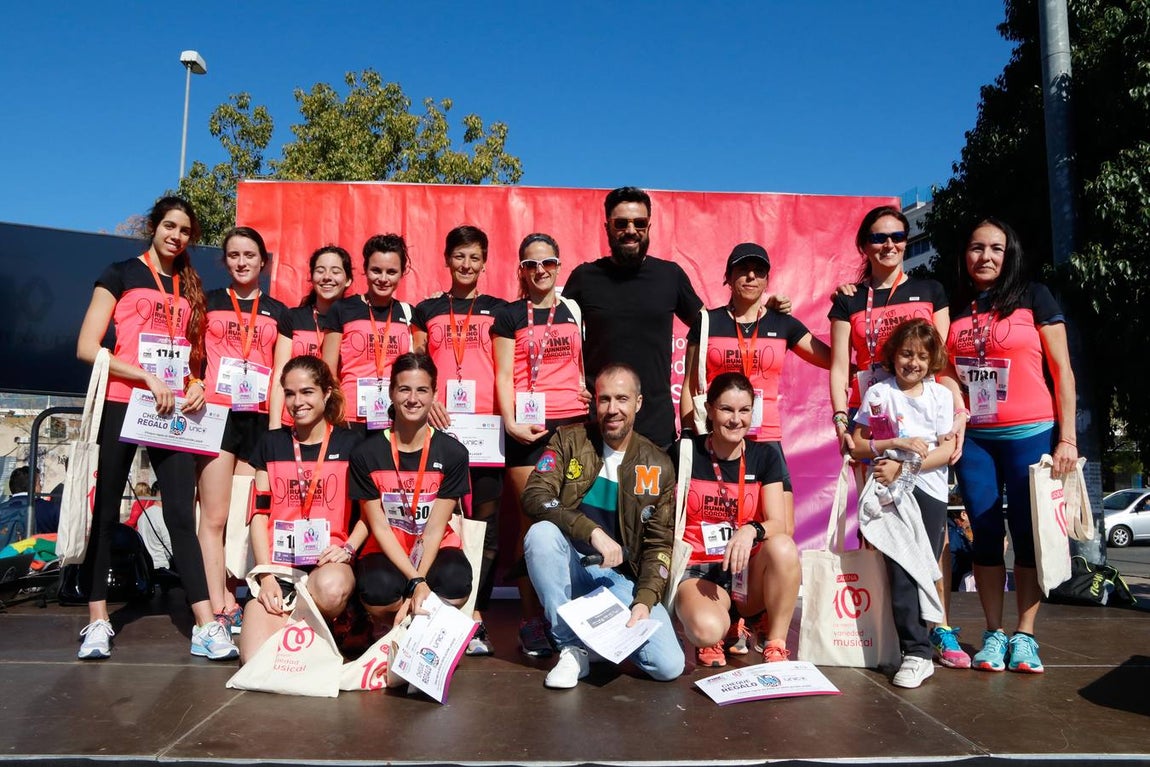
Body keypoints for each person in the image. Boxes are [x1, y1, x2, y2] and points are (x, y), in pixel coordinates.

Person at [74, 195, 236, 660]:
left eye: (185, 230)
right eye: (169, 226)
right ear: (154, 226)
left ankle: (205, 625)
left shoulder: (190, 286)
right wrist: (144, 376)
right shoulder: (120, 273)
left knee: (181, 515)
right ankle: (98, 620)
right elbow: (87, 347)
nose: (176, 236)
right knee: (106, 511)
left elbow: (194, 354)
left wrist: (197, 383)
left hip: (171, 411)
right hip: (124, 402)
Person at [828, 205, 968, 668]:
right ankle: (889, 631)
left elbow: (941, 363)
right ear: (864, 245)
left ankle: (938, 626)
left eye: (897, 236)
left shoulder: (930, 290)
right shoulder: (849, 299)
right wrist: (840, 419)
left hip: (923, 422)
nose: (889, 244)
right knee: (878, 530)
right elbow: (839, 366)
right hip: (874, 417)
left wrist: (958, 413)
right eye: (878, 237)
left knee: (933, 539)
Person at [946, 218, 1078, 674]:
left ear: (1010, 253)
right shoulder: (955, 307)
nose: (985, 256)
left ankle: (1025, 635)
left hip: (1031, 434)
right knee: (983, 534)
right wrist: (957, 407)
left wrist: (1067, 437)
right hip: (976, 439)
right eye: (976, 247)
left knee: (1026, 534)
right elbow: (945, 368)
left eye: (996, 248)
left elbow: (1062, 370)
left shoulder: (1034, 296)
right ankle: (992, 634)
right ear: (965, 254)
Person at [522, 363, 685, 689]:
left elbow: (658, 546)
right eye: (605, 399)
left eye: (622, 399)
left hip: (619, 581)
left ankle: (594, 642)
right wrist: (591, 531)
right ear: (594, 402)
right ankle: (570, 647)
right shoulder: (569, 440)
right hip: (571, 567)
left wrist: (644, 600)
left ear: (638, 403)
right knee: (541, 534)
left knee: (669, 665)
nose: (613, 409)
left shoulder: (658, 463)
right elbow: (535, 495)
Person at [682, 242, 831, 529]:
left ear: (767, 280)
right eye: (743, 270)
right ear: (728, 276)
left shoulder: (782, 323)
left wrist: (844, 306)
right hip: (718, 437)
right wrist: (690, 436)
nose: (751, 276)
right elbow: (690, 387)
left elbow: (832, 360)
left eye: (759, 271)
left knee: (781, 529)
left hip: (766, 438)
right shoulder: (707, 322)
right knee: (716, 521)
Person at [411, 225, 507, 655]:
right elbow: (415, 365)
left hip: (487, 433)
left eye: (474, 257)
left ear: (485, 262)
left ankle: (475, 613)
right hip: (440, 431)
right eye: (459, 256)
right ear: (447, 259)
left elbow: (512, 365)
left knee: (486, 529)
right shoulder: (427, 310)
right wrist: (429, 398)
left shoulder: (499, 310)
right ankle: (431, 606)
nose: (466, 265)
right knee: (436, 523)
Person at [492, 233, 589, 657]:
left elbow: (583, 363)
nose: (540, 271)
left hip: (574, 426)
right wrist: (510, 421)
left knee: (571, 521)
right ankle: (531, 620)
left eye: (547, 263)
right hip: (527, 430)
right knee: (533, 522)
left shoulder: (574, 310)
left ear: (558, 266)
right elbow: (502, 374)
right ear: (521, 270)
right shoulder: (509, 315)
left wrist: (590, 391)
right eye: (531, 264)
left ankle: (566, 617)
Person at [850, 318, 958, 688]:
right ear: (893, 355)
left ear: (932, 360)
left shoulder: (941, 395)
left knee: (921, 567)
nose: (913, 363)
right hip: (888, 490)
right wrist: (892, 448)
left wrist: (905, 467)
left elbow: (945, 450)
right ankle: (915, 651)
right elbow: (858, 445)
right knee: (899, 567)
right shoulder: (879, 393)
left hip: (929, 491)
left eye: (922, 357)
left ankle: (922, 645)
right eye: (907, 354)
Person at [240, 355, 367, 663]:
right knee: (253, 659)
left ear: (326, 393)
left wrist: (348, 548)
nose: (298, 402)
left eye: (307, 392)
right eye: (290, 393)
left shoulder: (352, 444)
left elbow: (370, 514)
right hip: (279, 568)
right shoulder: (270, 443)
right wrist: (265, 575)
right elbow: (258, 515)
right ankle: (303, 626)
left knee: (331, 589)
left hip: (327, 563)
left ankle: (331, 617)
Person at [197, 226, 291, 630]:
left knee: (245, 515)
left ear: (263, 262)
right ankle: (217, 601)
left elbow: (281, 374)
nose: (241, 262)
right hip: (216, 417)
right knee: (214, 516)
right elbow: (193, 357)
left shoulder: (278, 311)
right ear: (225, 260)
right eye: (234, 255)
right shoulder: (209, 302)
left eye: (249, 255)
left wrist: (275, 429)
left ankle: (237, 593)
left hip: (258, 420)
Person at [561, 187, 703, 450]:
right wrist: (570, 385)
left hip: (655, 430)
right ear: (607, 227)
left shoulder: (670, 276)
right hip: (597, 426)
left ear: (649, 226)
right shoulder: (585, 277)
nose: (630, 230)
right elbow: (552, 333)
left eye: (639, 223)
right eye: (621, 223)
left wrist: (761, 309)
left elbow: (708, 326)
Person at [674, 373, 799, 668]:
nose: (735, 419)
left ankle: (775, 643)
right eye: (726, 409)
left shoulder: (765, 456)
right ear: (709, 409)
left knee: (783, 547)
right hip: (699, 572)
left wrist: (750, 530)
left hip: (744, 572)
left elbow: (779, 523)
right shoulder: (684, 452)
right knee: (706, 631)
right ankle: (723, 625)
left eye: (744, 410)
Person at [349, 352, 473, 633]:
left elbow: (435, 528)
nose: (413, 399)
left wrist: (418, 582)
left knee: (455, 581)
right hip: (386, 548)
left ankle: (424, 627)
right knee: (378, 589)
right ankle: (386, 624)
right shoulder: (366, 453)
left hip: (434, 546)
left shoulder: (453, 453)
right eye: (404, 389)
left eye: (422, 390)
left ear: (434, 394)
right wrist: (415, 581)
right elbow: (379, 526)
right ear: (391, 393)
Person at [322, 234, 414, 433]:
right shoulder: (342, 309)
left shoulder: (408, 314)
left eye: (391, 272)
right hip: (348, 418)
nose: (383, 279)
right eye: (376, 270)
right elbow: (327, 370)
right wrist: (333, 412)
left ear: (402, 273)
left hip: (395, 416)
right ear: (365, 269)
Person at [269, 244, 354, 427]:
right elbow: (279, 376)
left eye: (335, 271)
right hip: (294, 419)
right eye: (320, 270)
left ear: (348, 280)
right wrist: (274, 427)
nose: (327, 277)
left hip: (337, 421)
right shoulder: (293, 317)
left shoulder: (355, 322)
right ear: (312, 277)